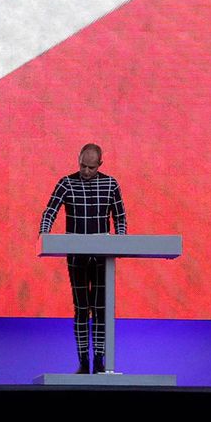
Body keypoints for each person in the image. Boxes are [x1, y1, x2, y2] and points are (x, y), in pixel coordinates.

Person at [38, 143, 127, 374]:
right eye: (82, 166)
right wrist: (44, 235)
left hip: (101, 258)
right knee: (80, 308)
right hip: (76, 256)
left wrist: (122, 243)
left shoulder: (110, 184)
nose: (86, 171)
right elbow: (49, 211)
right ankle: (82, 360)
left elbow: (120, 218)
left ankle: (99, 359)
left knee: (100, 307)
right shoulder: (66, 183)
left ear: (100, 164)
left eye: (91, 167)